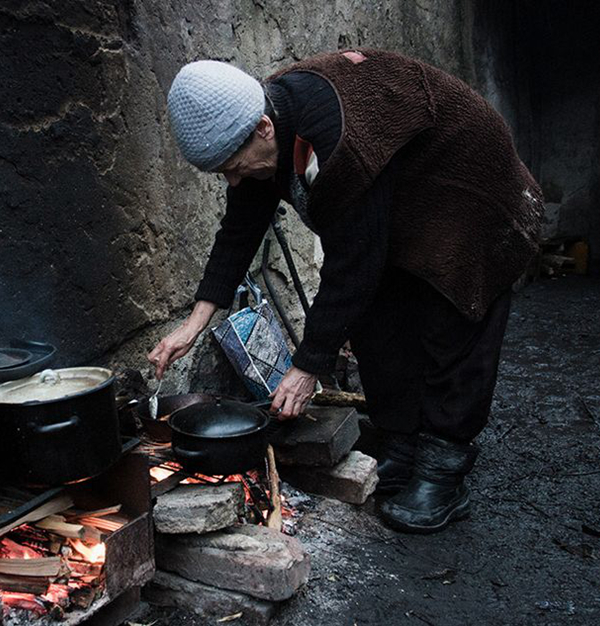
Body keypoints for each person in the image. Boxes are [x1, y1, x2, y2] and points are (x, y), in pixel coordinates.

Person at [147, 49, 542, 533]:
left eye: (232, 165)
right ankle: (403, 447)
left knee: (450, 317)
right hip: (402, 198)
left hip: (471, 190)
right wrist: (193, 325)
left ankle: (443, 471)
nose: (232, 179)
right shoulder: (261, 120)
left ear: (264, 130)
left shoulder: (336, 143)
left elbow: (351, 265)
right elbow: (239, 230)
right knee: (377, 318)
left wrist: (308, 365)